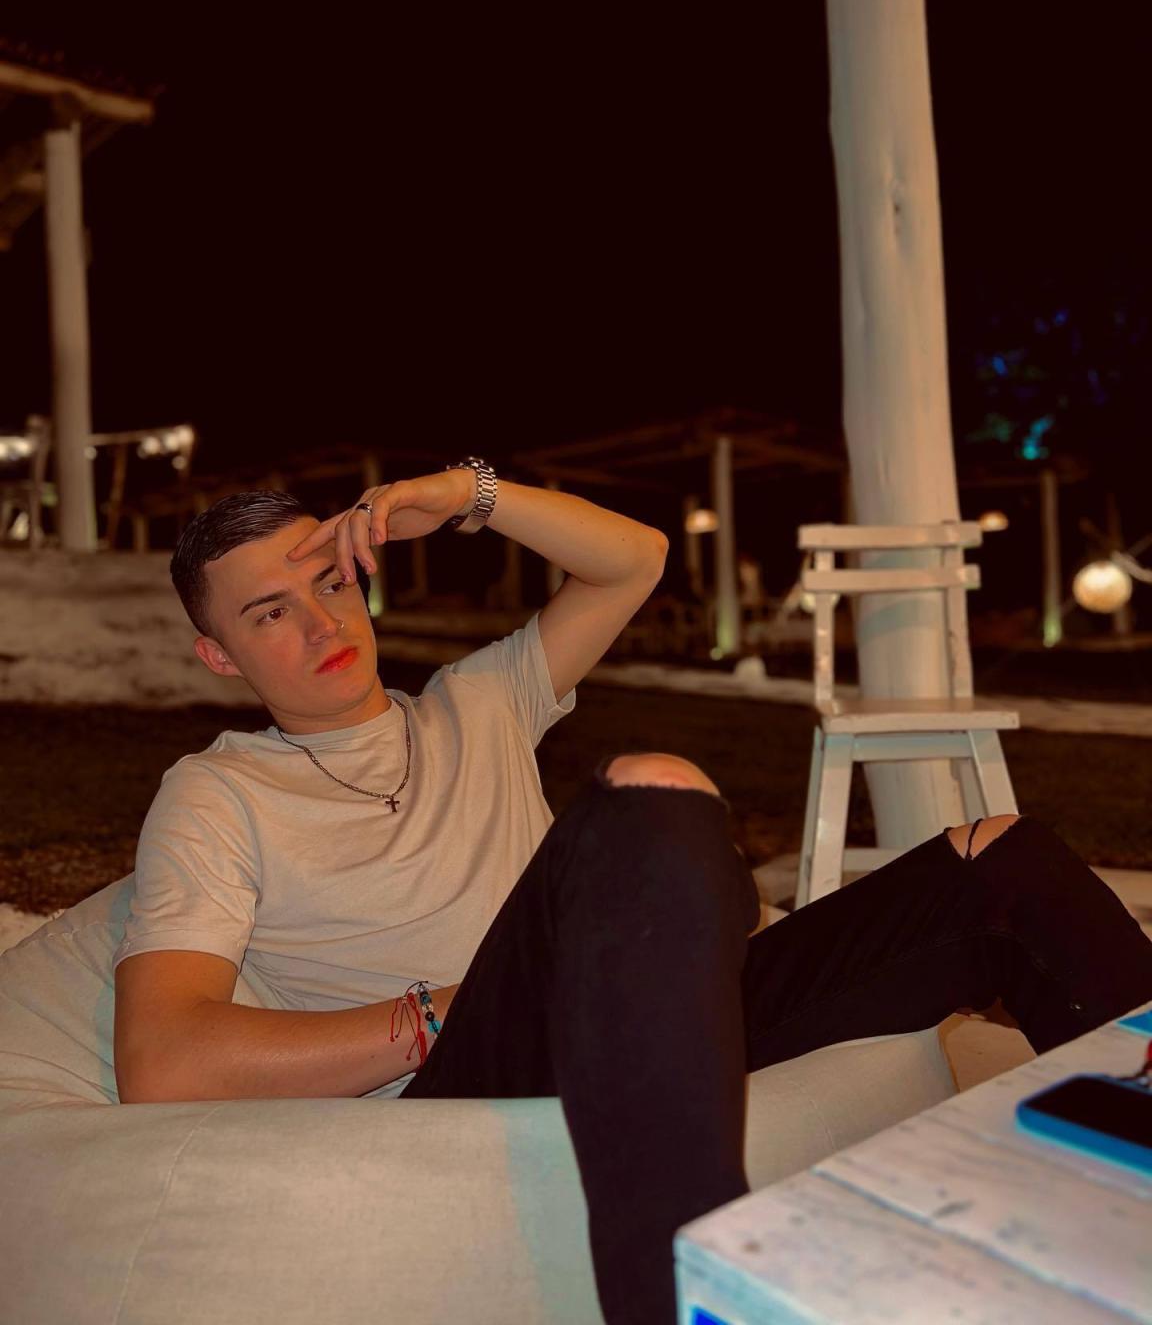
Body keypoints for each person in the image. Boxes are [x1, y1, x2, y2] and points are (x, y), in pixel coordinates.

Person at [112, 461, 1152, 1325]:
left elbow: (635, 559)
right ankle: (678, 1300)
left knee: (996, 860)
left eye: (331, 583)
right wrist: (441, 1013)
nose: (319, 624)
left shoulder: (477, 701)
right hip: (469, 1063)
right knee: (649, 793)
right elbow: (164, 1060)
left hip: (631, 1003)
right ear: (219, 655)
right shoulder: (216, 794)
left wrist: (468, 495)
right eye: (270, 613)